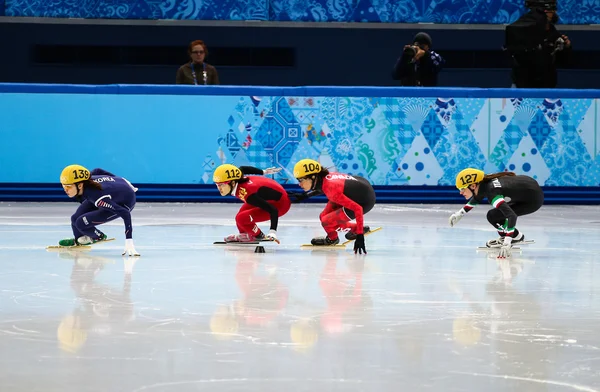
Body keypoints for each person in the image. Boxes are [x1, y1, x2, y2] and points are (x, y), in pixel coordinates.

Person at [448, 168, 544, 258]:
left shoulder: (492, 193)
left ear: (473, 186)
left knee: (493, 216)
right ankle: (514, 236)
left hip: (533, 200)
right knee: (494, 215)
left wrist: (507, 242)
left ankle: (515, 237)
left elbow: (511, 215)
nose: (460, 192)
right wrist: (460, 213)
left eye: (462, 189)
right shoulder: (484, 183)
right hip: (529, 186)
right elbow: (477, 197)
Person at [288, 159, 376, 254]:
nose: (299, 184)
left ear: (313, 177)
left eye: (301, 180)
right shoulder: (325, 180)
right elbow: (321, 188)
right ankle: (355, 228)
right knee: (323, 217)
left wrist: (360, 236)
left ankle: (333, 239)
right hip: (359, 189)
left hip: (364, 201)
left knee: (327, 222)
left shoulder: (331, 189)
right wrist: (305, 195)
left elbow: (358, 209)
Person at [58, 164, 140, 256]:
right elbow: (98, 170)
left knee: (81, 222)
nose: (65, 190)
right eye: (63, 186)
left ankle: (98, 236)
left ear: (80, 185)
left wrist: (129, 240)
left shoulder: (98, 198)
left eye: (68, 187)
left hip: (126, 201)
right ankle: (79, 240)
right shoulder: (88, 180)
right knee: (74, 218)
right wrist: (117, 180)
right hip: (117, 188)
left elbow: (125, 213)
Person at [213, 164, 290, 243]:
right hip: (267, 195)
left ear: (232, 183)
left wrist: (272, 233)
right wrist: (264, 172)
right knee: (240, 216)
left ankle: (258, 235)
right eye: (217, 184)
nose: (219, 188)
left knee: (241, 218)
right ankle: (246, 235)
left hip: (281, 204)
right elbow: (242, 168)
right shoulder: (237, 178)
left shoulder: (248, 194)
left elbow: (273, 210)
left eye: (221, 185)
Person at [505, 0, 572, 88]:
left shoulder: (553, 33)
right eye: (550, 10)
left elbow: (564, 62)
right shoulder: (523, 30)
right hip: (522, 84)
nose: (553, 12)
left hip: (546, 85)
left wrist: (566, 47)